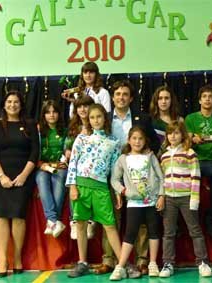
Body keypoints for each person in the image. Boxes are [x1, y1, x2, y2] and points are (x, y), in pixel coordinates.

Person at [97, 79, 160, 276]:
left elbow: (155, 145)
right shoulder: (104, 118)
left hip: (139, 176)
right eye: (117, 94)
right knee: (110, 219)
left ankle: (142, 260)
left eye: (125, 94)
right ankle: (109, 260)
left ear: (131, 98)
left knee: (141, 221)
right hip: (111, 175)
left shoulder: (143, 119)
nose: (121, 97)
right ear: (113, 97)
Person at [66, 104, 122, 278]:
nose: (96, 120)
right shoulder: (81, 139)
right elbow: (73, 164)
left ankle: (122, 263)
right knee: (81, 224)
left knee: (110, 226)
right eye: (92, 117)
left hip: (101, 188)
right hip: (81, 186)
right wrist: (73, 186)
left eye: (99, 116)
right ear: (88, 120)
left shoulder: (114, 142)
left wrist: (118, 191)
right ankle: (82, 262)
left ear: (105, 118)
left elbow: (115, 172)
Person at [0, 90, 39, 277]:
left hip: (23, 176)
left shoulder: (31, 125)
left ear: (21, 104)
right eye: (9, 102)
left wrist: (24, 175)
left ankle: (17, 257)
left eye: (16, 102)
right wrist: (1, 176)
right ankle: (3, 259)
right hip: (1, 175)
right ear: (4, 104)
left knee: (18, 216)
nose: (12, 105)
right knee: (1, 216)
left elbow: (35, 152)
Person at [109, 126, 165, 280]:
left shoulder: (150, 156)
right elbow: (114, 179)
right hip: (134, 203)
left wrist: (161, 195)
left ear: (145, 140)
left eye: (140, 138)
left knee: (154, 231)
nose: (137, 141)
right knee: (130, 234)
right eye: (134, 138)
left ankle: (152, 263)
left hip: (151, 201)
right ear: (129, 140)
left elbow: (161, 177)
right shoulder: (123, 158)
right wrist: (122, 191)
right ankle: (120, 266)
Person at [158, 121, 212, 278]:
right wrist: (162, 196)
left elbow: (196, 176)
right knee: (168, 232)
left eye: (176, 133)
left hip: (187, 197)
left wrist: (194, 199)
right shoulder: (165, 156)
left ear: (182, 134)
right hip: (169, 198)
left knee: (194, 230)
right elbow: (162, 178)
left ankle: (202, 262)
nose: (173, 136)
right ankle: (168, 263)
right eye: (170, 133)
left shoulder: (189, 153)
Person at [184, 84, 212, 238]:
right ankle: (191, 221)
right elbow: (186, 141)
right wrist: (193, 139)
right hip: (195, 160)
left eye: (210, 97)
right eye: (204, 97)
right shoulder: (190, 118)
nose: (207, 99)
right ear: (199, 100)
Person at [36, 100, 68, 238]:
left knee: (60, 178)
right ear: (43, 115)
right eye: (48, 112)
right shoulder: (38, 130)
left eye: (54, 111)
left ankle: (52, 221)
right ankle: (55, 220)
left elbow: (68, 150)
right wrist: (41, 165)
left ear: (59, 114)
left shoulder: (66, 131)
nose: (51, 115)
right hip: (42, 166)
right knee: (42, 180)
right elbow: (32, 152)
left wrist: (65, 159)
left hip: (60, 166)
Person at [65, 95, 96, 240]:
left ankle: (90, 220)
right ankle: (74, 221)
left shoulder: (97, 124)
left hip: (94, 167)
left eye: (86, 106)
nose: (83, 109)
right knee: (73, 185)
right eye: (79, 106)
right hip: (75, 166)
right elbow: (66, 146)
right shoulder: (73, 127)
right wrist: (67, 152)